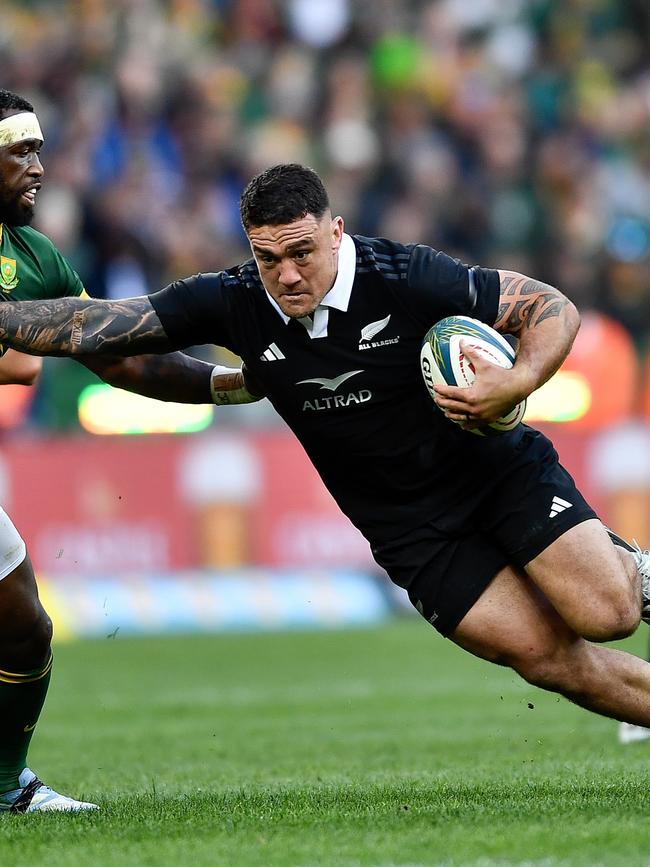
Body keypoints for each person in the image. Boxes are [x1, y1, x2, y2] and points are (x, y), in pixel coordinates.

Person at [2, 160, 650, 736]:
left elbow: (549, 306)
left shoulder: (403, 274)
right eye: (267, 257)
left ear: (336, 232)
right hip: (408, 530)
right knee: (544, 657)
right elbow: (100, 325)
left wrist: (515, 380)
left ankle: (634, 571)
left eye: (302, 252)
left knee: (607, 611)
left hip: (496, 472)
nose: (285, 274)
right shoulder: (234, 299)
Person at [0, 90, 259, 813]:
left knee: (22, 625)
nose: (41, 167)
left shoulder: (33, 257)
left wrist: (233, 383)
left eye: (41, 149)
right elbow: (22, 367)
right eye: (22, 151)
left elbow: (117, 357)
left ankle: (5, 787)